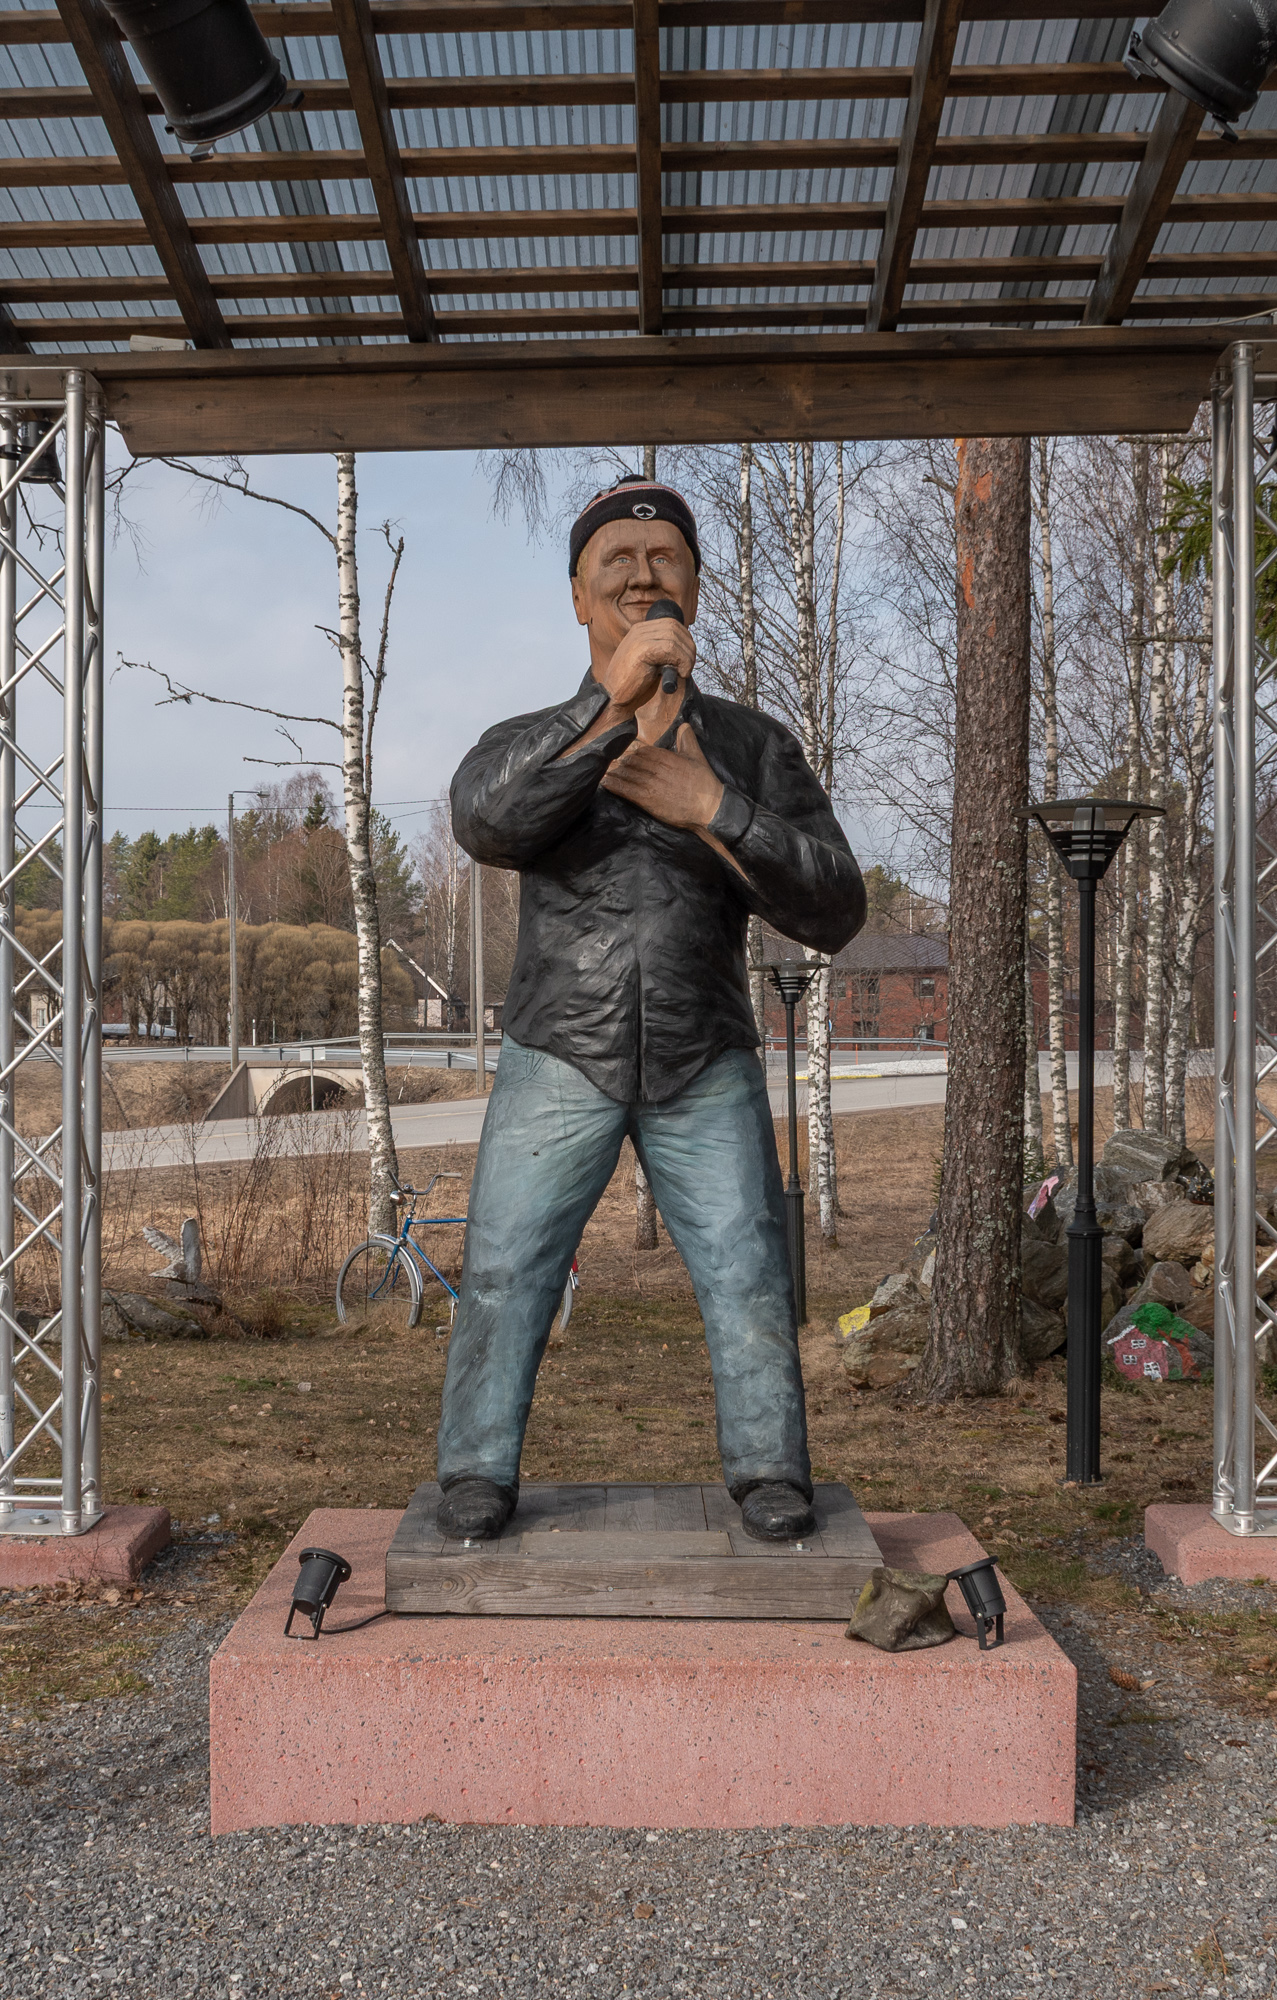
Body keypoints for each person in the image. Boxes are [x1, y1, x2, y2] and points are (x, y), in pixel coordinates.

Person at [435, 476, 866, 1544]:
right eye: (615, 563)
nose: (641, 575)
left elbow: (836, 905)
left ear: (696, 586)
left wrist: (713, 805)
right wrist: (605, 711)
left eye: (664, 557)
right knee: (504, 1267)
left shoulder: (754, 747)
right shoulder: (527, 737)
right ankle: (475, 1467)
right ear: (577, 595)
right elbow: (487, 823)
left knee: (748, 1269)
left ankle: (770, 1468)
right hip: (557, 1050)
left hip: (701, 1049)